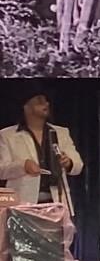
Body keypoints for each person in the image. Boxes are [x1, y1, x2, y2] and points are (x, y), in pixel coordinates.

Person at [0, 84, 83, 215]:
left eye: (46, 101)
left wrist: (68, 163)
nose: (46, 104)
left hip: (56, 205)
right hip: (22, 205)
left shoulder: (60, 132)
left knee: (57, 235)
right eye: (39, 101)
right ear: (27, 107)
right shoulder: (7, 135)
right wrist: (23, 166)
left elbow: (78, 166)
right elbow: (2, 169)